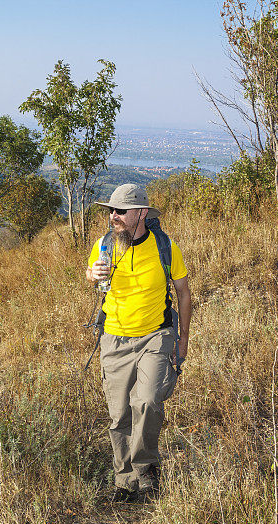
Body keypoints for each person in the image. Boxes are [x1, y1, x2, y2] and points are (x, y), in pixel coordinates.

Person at [85, 183, 192, 503]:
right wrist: (92, 276)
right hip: (114, 339)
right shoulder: (104, 245)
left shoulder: (164, 245)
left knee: (145, 401)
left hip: (155, 336)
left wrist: (183, 339)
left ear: (142, 214)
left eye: (120, 211)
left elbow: (184, 294)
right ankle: (125, 480)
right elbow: (95, 279)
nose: (113, 217)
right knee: (119, 415)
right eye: (111, 211)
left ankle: (146, 469)